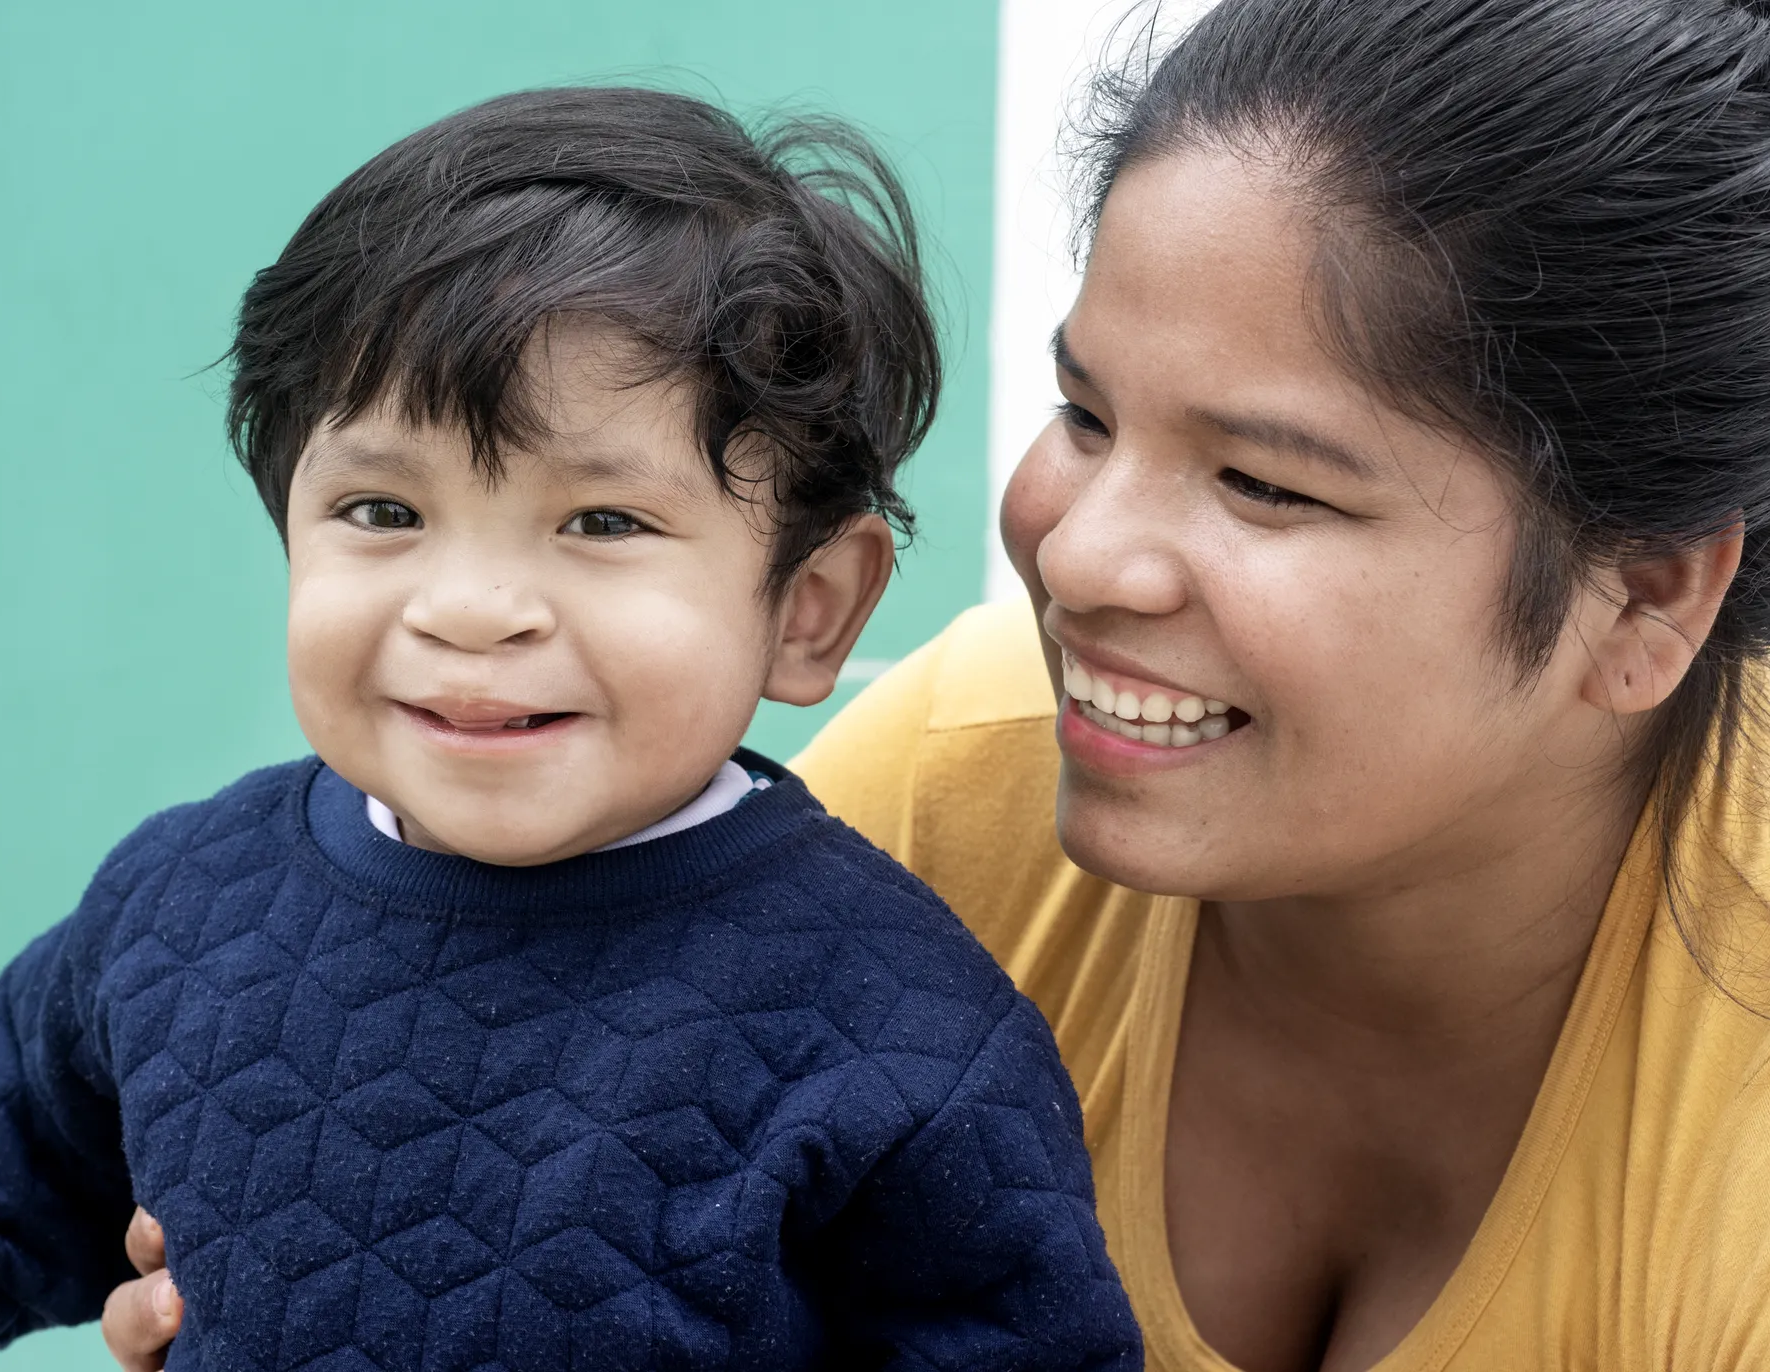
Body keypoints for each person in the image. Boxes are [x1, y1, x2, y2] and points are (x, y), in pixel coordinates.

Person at [91, 0, 1770, 1367]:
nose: (1078, 552)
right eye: (1090, 417)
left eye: (1266, 485)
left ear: (1644, 594)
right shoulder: (931, 804)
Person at [0, 88, 1144, 1372]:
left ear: (808, 610)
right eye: (383, 512)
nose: (470, 608)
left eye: (602, 522)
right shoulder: (178, 906)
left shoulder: (896, 1028)